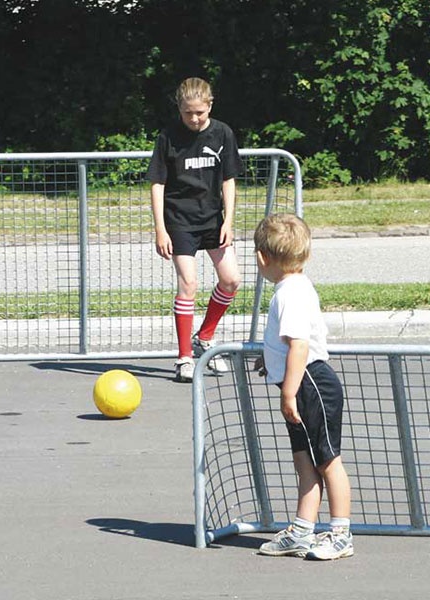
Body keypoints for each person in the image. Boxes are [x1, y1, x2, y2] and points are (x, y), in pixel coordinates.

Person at [253, 213, 353, 561]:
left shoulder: (289, 293)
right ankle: (302, 530)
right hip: (300, 382)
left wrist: (288, 392)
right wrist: (270, 360)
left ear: (262, 258)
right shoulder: (292, 288)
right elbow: (286, 342)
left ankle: (341, 533)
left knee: (327, 460)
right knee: (304, 461)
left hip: (311, 384)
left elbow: (300, 345)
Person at [146, 77, 242, 383]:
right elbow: (157, 183)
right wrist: (160, 228)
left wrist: (228, 220)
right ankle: (184, 357)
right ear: (180, 109)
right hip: (179, 220)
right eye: (188, 113)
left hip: (213, 218)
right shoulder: (168, 137)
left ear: (210, 106)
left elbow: (228, 179)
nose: (194, 118)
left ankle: (206, 336)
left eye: (200, 112)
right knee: (188, 283)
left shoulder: (223, 133)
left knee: (231, 280)